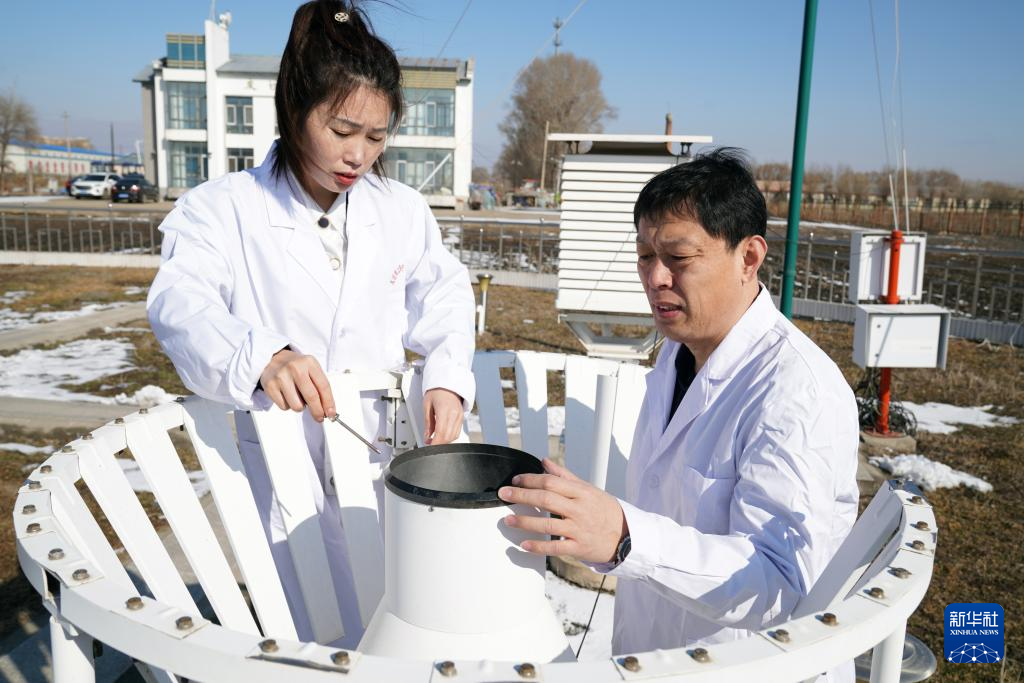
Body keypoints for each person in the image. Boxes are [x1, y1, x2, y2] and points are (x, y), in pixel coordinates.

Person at [148, 0, 476, 644]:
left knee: (399, 620)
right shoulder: (222, 209)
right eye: (342, 129)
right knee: (305, 628)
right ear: (296, 109)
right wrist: (263, 356)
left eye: (376, 137)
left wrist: (446, 376)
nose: (358, 155)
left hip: (379, 449)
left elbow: (444, 294)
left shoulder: (402, 210)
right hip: (283, 455)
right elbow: (180, 305)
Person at [499, 148, 859, 681]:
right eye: (645, 255)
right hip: (655, 653)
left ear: (749, 257)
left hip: (741, 668)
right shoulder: (678, 352)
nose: (656, 277)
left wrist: (626, 536)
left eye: (679, 257)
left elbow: (782, 583)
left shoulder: (797, 392)